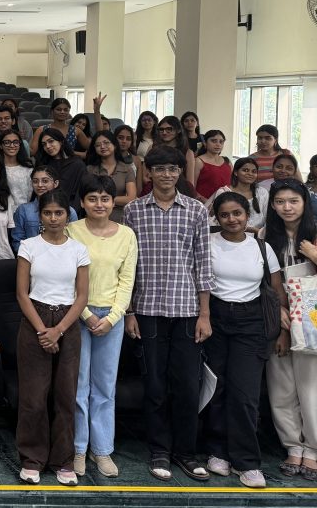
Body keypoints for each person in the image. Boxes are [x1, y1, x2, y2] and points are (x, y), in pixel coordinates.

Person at [123, 146, 213, 482]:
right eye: (159, 169)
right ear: (148, 172)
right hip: (146, 310)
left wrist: (205, 314)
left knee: (187, 385)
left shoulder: (196, 210)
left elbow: (203, 265)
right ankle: (159, 450)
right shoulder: (133, 211)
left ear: (179, 172)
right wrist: (129, 311)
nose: (166, 174)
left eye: (172, 169)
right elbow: (127, 266)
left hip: (187, 310)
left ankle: (186, 453)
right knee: (155, 385)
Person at [203, 191, 285, 489]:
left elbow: (276, 291)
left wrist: (283, 331)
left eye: (237, 213)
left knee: (245, 393)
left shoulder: (262, 247)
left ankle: (247, 462)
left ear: (247, 215)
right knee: (216, 387)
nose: (231, 219)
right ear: (216, 217)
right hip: (215, 318)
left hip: (252, 322)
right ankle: (217, 452)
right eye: (224, 215)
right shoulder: (208, 242)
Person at [15, 189, 90, 485]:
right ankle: (32, 459)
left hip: (67, 322)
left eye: (59, 213)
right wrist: (42, 330)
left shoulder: (78, 249)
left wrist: (58, 330)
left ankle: (63, 460)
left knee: (65, 395)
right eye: (48, 213)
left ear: (67, 215)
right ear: (40, 216)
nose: (54, 218)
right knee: (33, 397)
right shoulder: (28, 246)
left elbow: (82, 296)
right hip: (35, 318)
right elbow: (22, 294)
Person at [67, 175, 138, 479]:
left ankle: (102, 449)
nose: (99, 204)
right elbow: (67, 278)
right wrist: (85, 315)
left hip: (112, 318)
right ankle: (78, 449)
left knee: (105, 387)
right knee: (79, 386)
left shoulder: (127, 235)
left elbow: (127, 280)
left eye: (105, 199)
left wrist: (112, 317)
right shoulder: (71, 231)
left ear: (113, 203)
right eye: (93, 198)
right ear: (82, 203)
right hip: (77, 316)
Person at [262, 179, 317, 481]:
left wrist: (313, 254)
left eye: (293, 201)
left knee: (310, 386)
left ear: (305, 203)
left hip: (311, 318)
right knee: (281, 386)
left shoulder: (314, 234)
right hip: (277, 316)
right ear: (272, 205)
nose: (287, 207)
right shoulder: (264, 236)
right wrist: (278, 310)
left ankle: (313, 450)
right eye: (280, 201)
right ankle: (293, 446)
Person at [11, 165, 76, 249]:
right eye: (35, 181)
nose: (40, 185)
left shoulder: (69, 211)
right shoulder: (23, 210)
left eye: (45, 181)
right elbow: (17, 241)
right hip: (31, 255)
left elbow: (73, 240)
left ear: (56, 183)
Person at [205, 158, 268, 234]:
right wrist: (251, 230)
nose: (250, 174)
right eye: (245, 170)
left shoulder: (262, 192)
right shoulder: (224, 192)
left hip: (258, 235)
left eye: (254, 171)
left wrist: (261, 234)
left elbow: (267, 218)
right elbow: (214, 220)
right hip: (229, 235)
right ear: (235, 172)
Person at [85, 131, 137, 221]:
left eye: (106, 143)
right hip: (95, 217)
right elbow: (86, 196)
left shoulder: (127, 169)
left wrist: (102, 199)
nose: (102, 146)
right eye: (98, 145)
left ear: (115, 145)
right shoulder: (90, 169)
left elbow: (131, 198)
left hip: (120, 217)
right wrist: (116, 200)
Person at [34, 127, 86, 211]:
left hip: (70, 211)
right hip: (43, 209)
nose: (48, 146)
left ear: (61, 142)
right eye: (44, 144)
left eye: (51, 141)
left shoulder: (77, 164)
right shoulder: (42, 164)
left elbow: (80, 193)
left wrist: (69, 213)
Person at [0, 130, 33, 208]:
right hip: (1, 210)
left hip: (24, 210)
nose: (12, 145)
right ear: (0, 145)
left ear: (20, 145)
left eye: (16, 142)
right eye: (7, 142)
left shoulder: (28, 168)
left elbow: (31, 195)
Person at [194, 130, 232, 202]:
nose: (218, 144)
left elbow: (234, 184)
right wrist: (208, 203)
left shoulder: (227, 161)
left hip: (227, 203)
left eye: (221, 142)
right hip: (205, 204)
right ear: (205, 143)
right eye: (214, 141)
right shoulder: (198, 161)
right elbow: (191, 188)